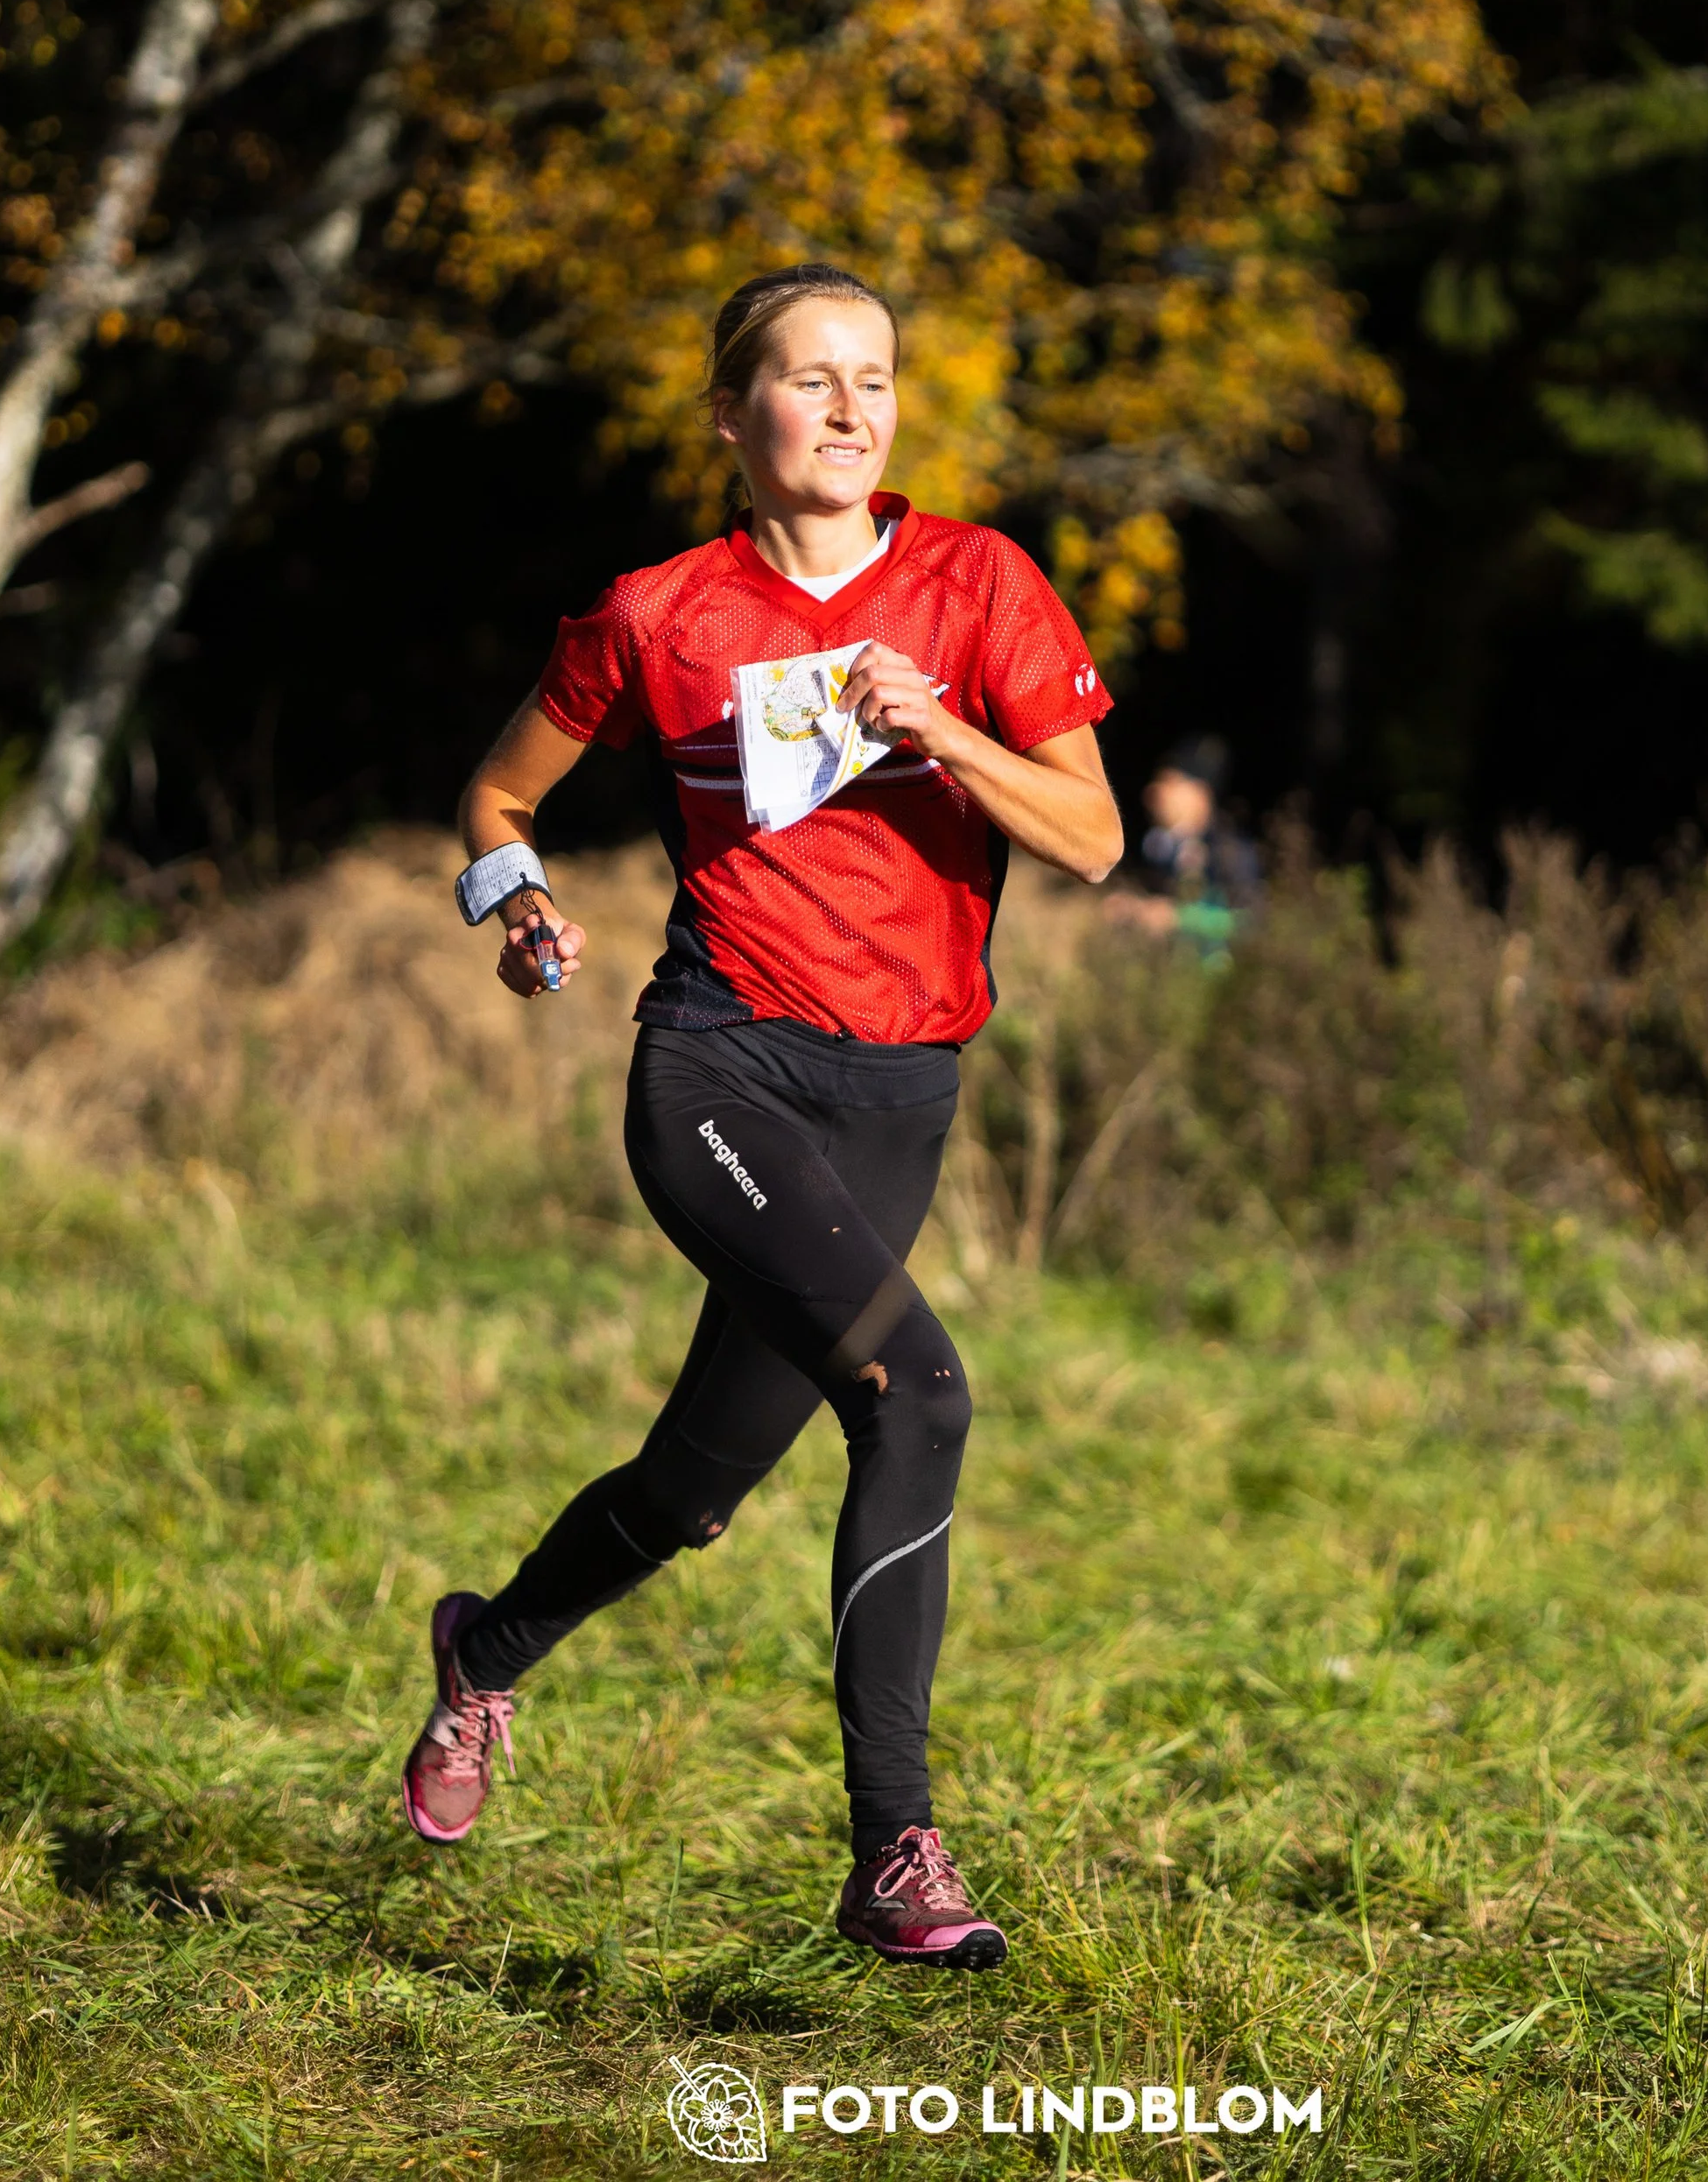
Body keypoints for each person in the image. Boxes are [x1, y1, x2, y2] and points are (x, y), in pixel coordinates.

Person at [400, 263, 1122, 1972]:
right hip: (719, 1061)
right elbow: (497, 792)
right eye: (809, 379)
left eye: (874, 375)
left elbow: (1090, 837)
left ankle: (485, 1650)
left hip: (902, 1082)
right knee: (917, 1389)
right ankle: (897, 1847)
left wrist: (936, 723)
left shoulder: (975, 581)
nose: (852, 406)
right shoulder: (657, 612)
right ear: (733, 416)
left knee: (699, 1479)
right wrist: (514, 905)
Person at [1109, 734, 1260, 957]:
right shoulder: (1156, 847)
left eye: (1171, 782)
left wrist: (1179, 919)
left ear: (1200, 792)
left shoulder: (1231, 851)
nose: (1155, 792)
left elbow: (1251, 923)